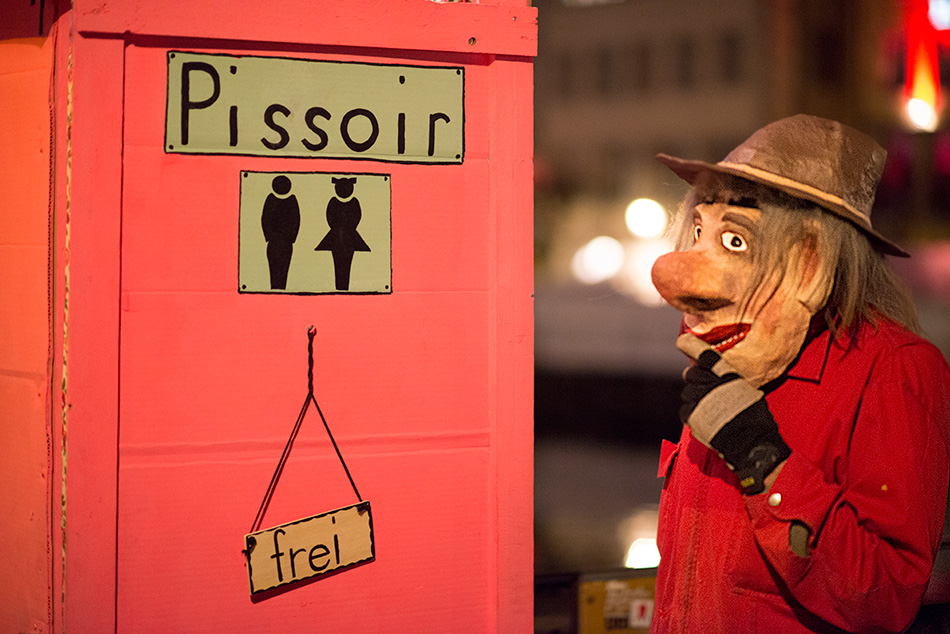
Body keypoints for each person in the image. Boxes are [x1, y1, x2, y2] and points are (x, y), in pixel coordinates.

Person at [649, 114, 950, 632]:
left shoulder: (894, 370)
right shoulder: (727, 360)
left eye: (736, 240)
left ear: (809, 261)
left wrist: (763, 461)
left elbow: (886, 593)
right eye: (699, 230)